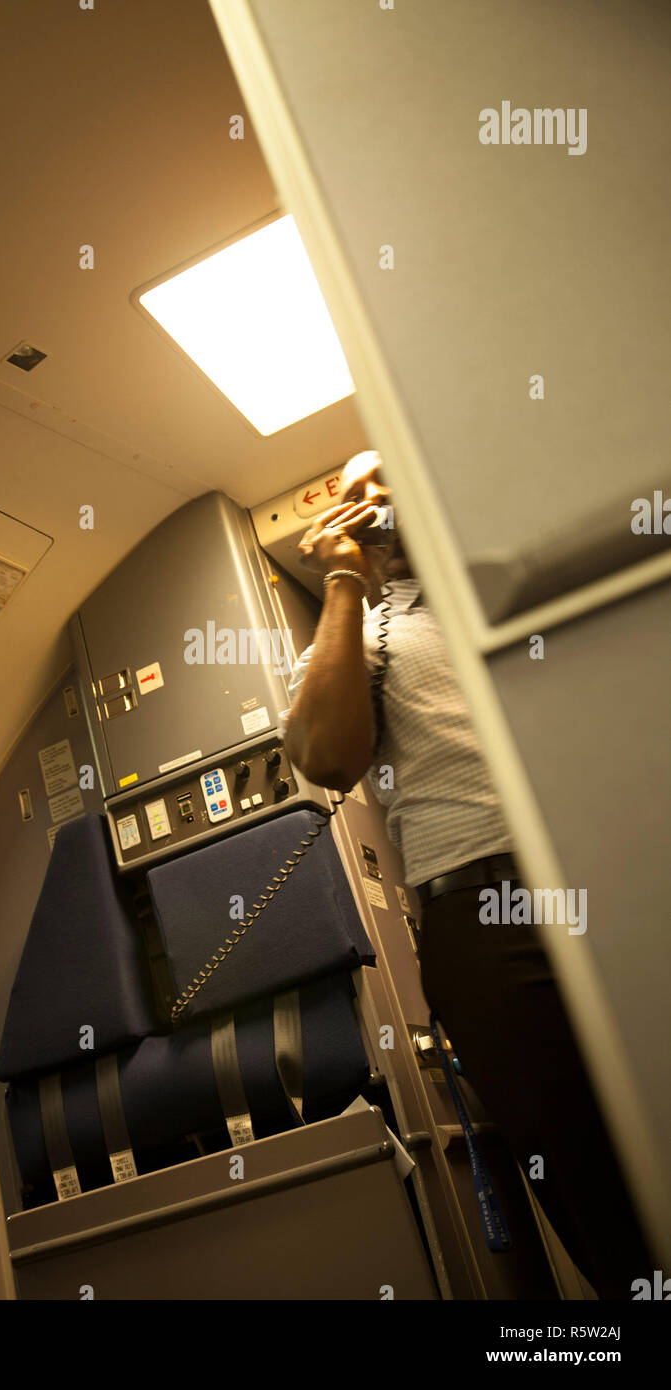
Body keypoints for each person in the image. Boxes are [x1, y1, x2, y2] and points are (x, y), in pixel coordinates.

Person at [283, 449, 654, 1301]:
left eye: (386, 475)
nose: (369, 497)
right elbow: (325, 757)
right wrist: (345, 589)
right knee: (591, 1178)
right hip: (489, 918)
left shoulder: (531, 593)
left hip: (616, 874)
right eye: (352, 490)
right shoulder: (372, 631)